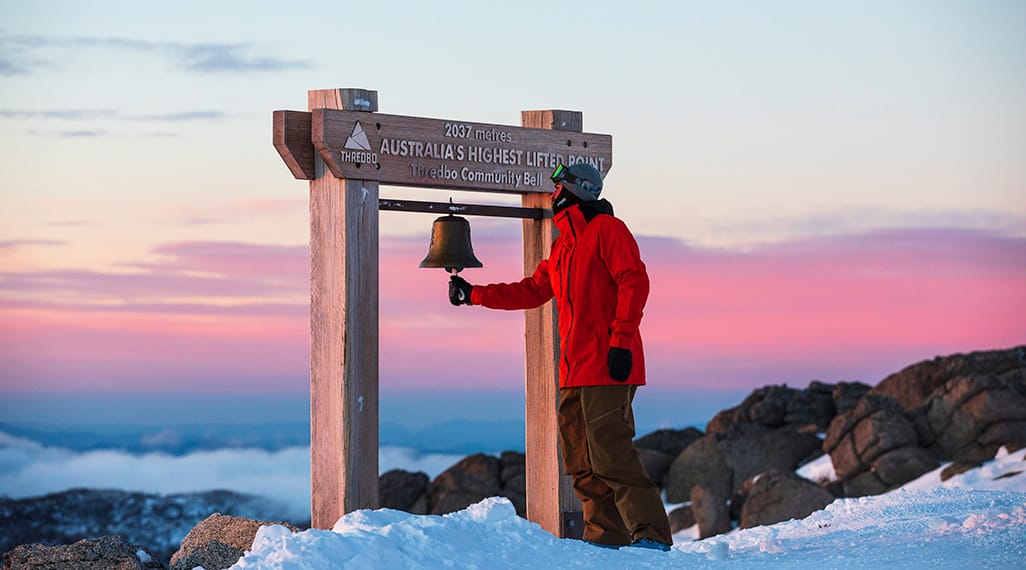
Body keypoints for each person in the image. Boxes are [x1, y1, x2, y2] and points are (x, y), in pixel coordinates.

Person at [447, 162, 673, 551]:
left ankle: (651, 534)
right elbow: (533, 290)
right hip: (573, 369)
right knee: (581, 462)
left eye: (559, 186)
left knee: (611, 454)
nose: (553, 194)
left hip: (608, 364)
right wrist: (474, 294)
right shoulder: (562, 246)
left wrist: (621, 341)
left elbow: (634, 281)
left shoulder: (607, 230)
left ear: (577, 189)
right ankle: (606, 540)